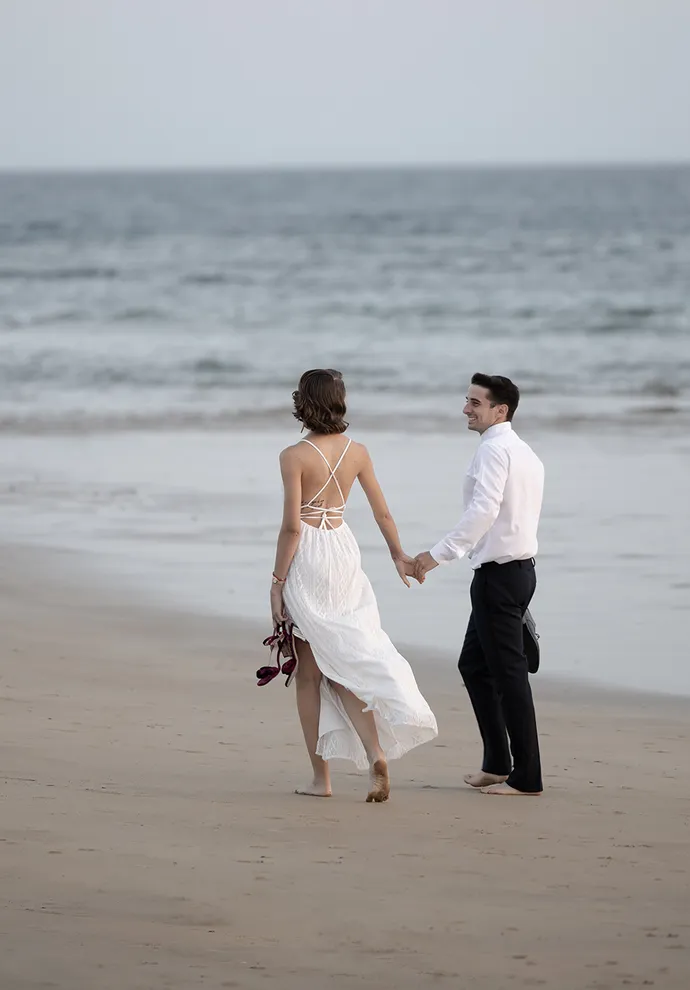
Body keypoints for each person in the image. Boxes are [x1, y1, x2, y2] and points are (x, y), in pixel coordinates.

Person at [270, 369, 438, 803]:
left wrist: (276, 583)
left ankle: (320, 780)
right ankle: (374, 752)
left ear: (302, 402)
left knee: (309, 675)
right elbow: (383, 513)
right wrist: (399, 555)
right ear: (340, 402)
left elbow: (292, 527)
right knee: (342, 661)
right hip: (343, 552)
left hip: (308, 554)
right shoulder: (357, 452)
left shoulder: (293, 456)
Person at [414, 373, 544, 796]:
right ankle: (497, 763)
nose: (466, 408)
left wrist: (435, 555)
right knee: (474, 666)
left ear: (499, 410)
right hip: (517, 573)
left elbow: (483, 511)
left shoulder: (494, 450)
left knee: (509, 677)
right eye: (467, 400)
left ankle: (527, 778)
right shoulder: (524, 452)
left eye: (475, 402)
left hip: (500, 578)